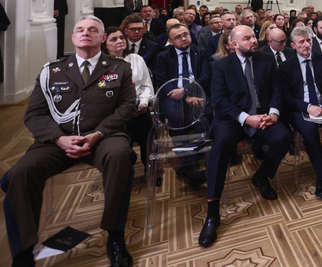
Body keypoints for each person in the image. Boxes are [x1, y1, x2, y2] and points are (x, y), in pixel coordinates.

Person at [2, 16, 136, 267]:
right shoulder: (51, 70)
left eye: (93, 30)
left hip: (103, 137)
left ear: (102, 38)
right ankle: (22, 252)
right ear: (73, 38)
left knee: (120, 156)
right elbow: (34, 114)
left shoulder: (118, 68)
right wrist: (59, 138)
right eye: (80, 30)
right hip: (57, 140)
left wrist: (98, 134)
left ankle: (115, 236)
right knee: (20, 173)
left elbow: (127, 106)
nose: (86, 33)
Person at [199, 26, 291, 247]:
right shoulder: (221, 66)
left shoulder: (266, 61)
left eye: (253, 36)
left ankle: (262, 176)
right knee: (220, 145)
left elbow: (277, 90)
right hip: (233, 119)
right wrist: (245, 118)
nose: (253, 41)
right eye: (246, 38)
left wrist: (274, 113)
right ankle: (212, 212)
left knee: (283, 137)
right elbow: (219, 100)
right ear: (233, 44)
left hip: (263, 116)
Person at [277, 26, 322, 204]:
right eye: (301, 42)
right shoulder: (286, 66)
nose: (306, 45)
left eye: (309, 41)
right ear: (293, 45)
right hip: (300, 109)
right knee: (309, 132)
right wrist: (308, 107)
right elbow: (287, 97)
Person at [153, 23, 213, 186]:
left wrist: (186, 91)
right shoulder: (163, 56)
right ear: (170, 41)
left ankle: (188, 162)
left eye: (185, 34)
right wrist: (182, 97)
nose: (183, 38)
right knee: (177, 117)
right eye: (178, 37)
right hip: (172, 97)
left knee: (206, 116)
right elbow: (162, 80)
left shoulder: (200, 52)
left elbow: (205, 76)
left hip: (197, 93)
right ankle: (191, 164)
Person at [103, 26, 155, 176]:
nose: (120, 41)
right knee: (122, 148)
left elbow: (146, 86)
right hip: (117, 113)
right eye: (113, 39)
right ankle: (123, 173)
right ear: (104, 44)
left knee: (149, 138)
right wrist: (123, 110)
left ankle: (151, 171)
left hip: (140, 108)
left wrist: (144, 102)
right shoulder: (102, 64)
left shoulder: (136, 59)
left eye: (121, 38)